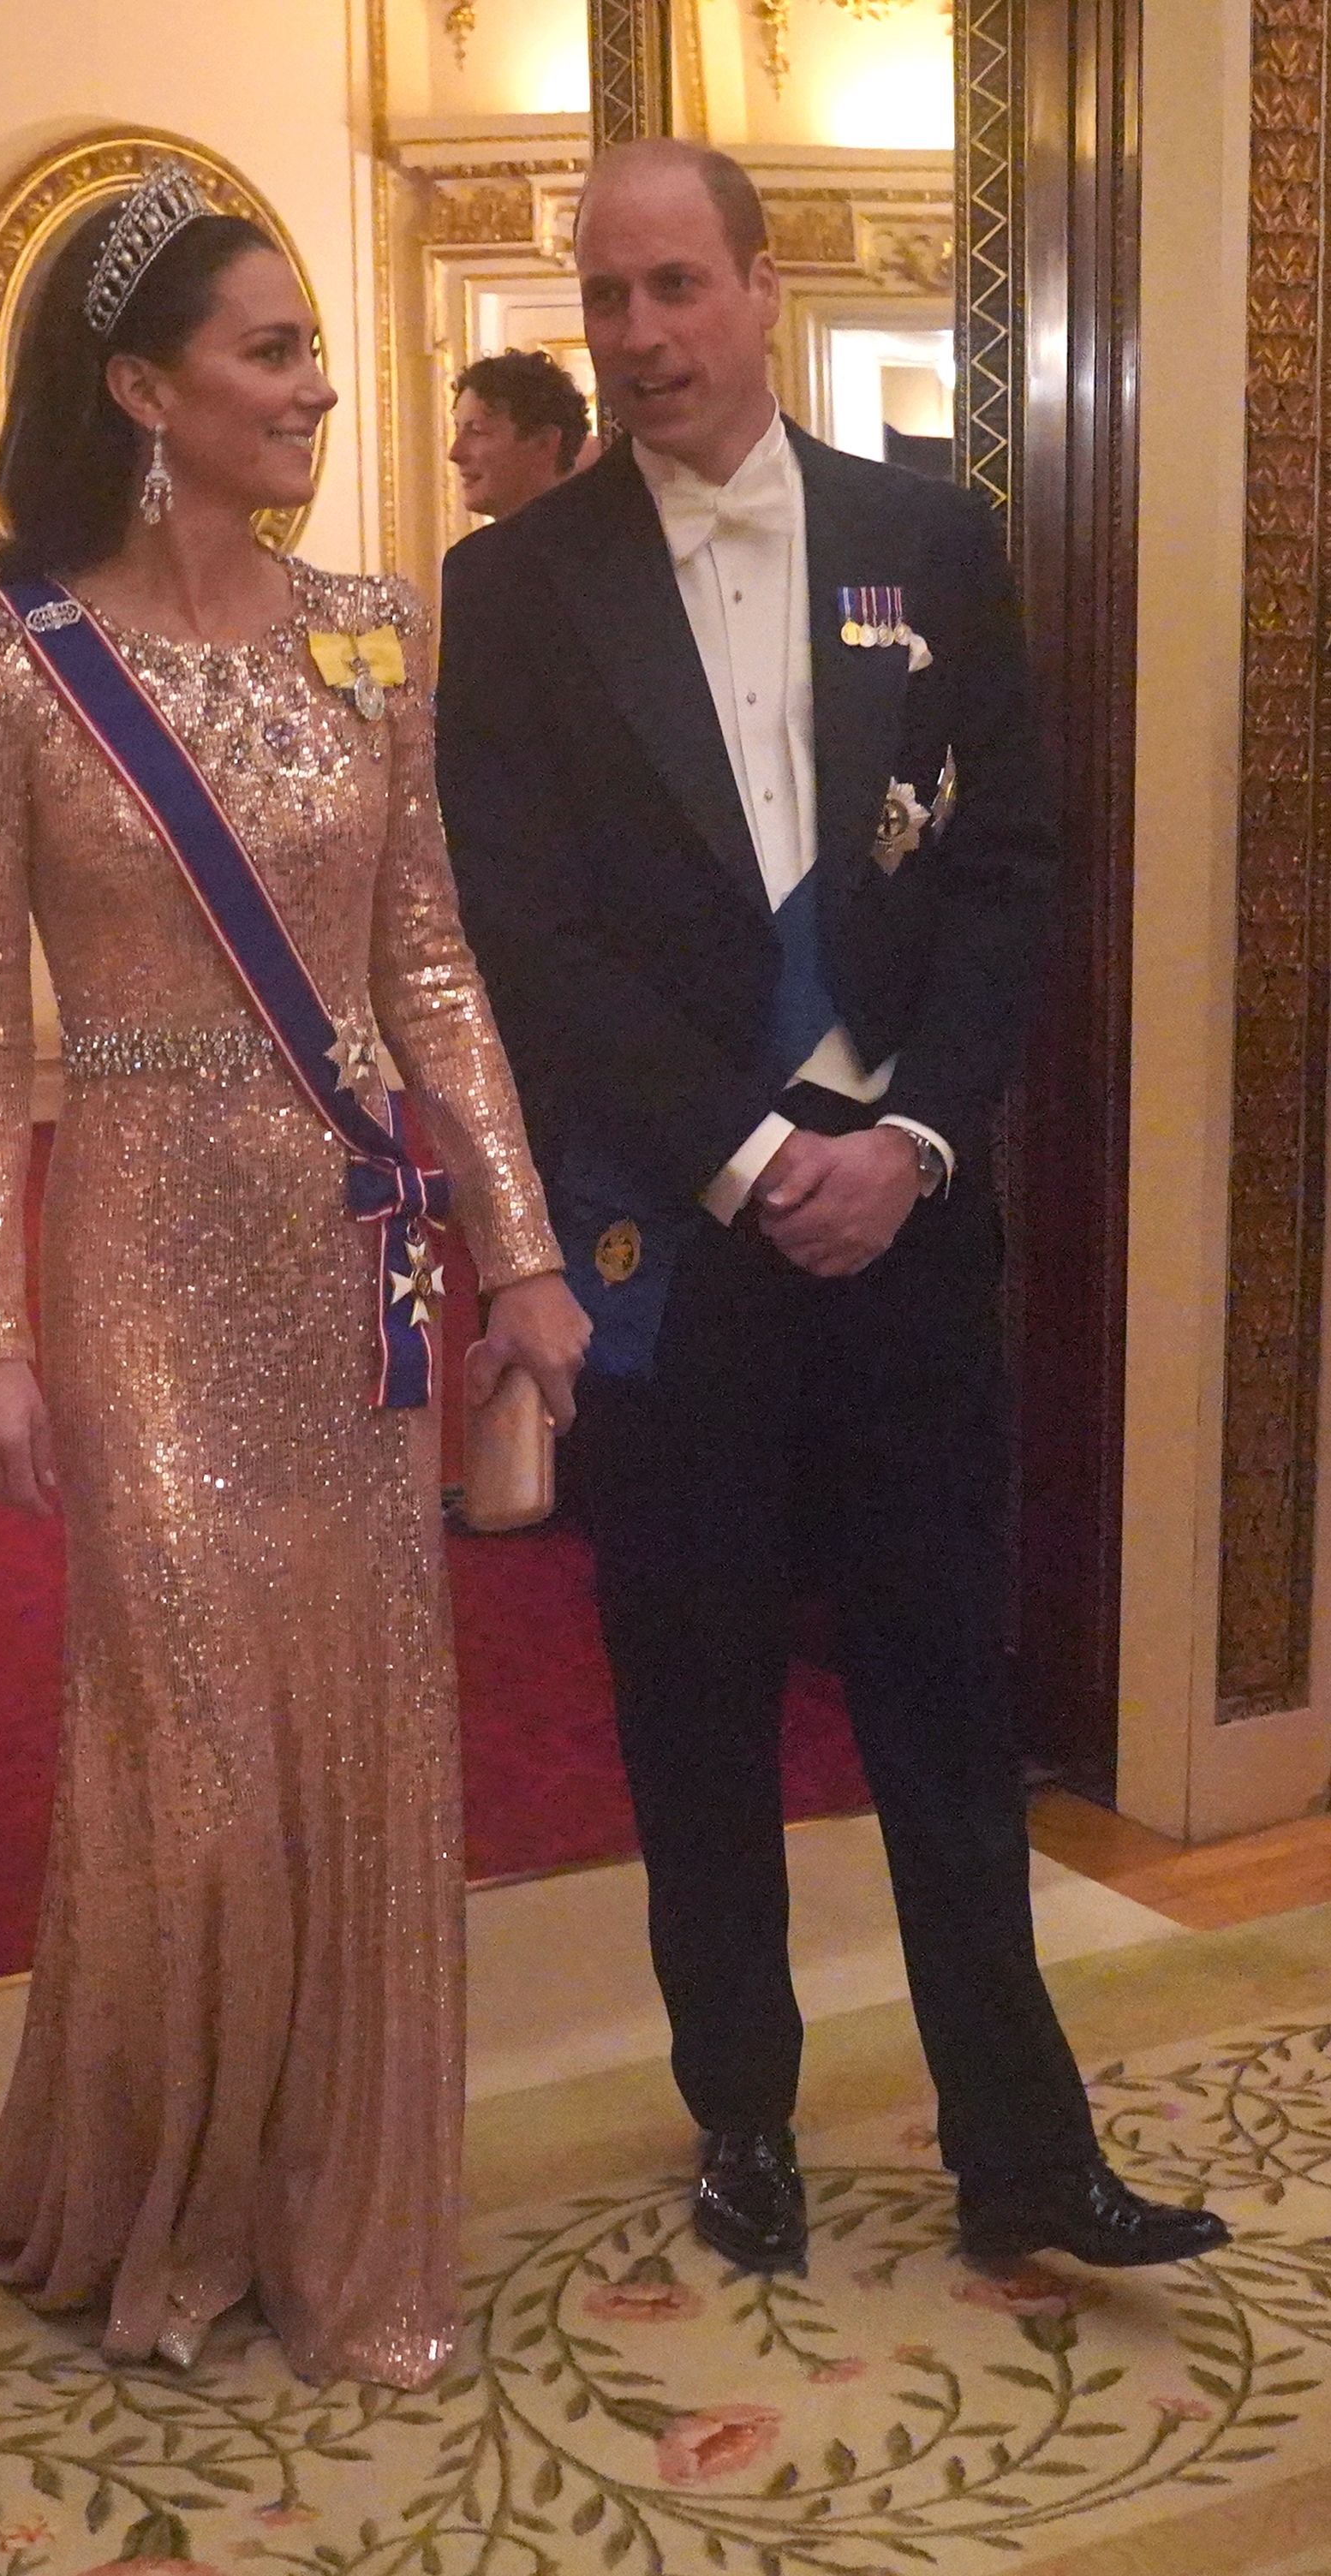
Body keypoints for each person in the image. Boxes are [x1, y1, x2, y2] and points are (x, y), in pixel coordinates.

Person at [435, 139, 1227, 2283]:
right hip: (682, 1251)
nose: (634, 337)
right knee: (688, 1709)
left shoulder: (923, 533)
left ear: (760, 289)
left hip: (905, 1233)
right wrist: (748, 1151)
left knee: (939, 1706)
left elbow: (1005, 866)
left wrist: (913, 1140)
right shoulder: (511, 588)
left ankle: (1017, 2145)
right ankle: (745, 2120)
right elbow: (530, 941)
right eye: (602, 297)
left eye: (673, 286)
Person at [0, 167, 587, 2387]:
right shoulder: (6, 649)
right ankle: (158, 2194)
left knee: (360, 1734)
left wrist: (520, 1243)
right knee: (195, 1760)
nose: (317, 386)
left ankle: (334, 2205)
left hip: (348, 1258)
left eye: (310, 349)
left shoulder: (372, 626)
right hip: (134, 1254)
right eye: (273, 350)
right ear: (142, 389)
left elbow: (429, 965)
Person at [449, 347, 591, 521]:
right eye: (458, 431)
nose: (455, 454)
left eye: (477, 431)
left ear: (544, 443)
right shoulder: (480, 547)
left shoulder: (602, 543)